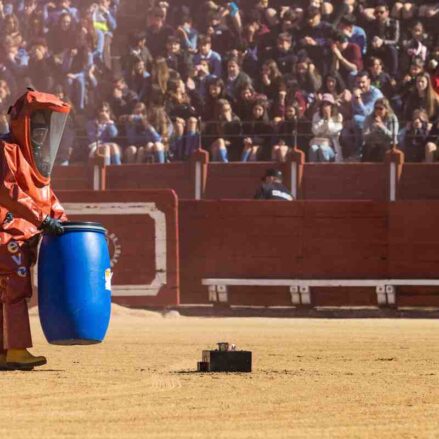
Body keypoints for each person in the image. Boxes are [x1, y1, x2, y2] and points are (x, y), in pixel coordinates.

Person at [0, 89, 70, 370]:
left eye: (44, 130)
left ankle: (5, 352)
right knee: (15, 289)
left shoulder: (33, 158)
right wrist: (43, 221)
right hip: (7, 235)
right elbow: (7, 193)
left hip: (15, 235)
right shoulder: (7, 149)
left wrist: (62, 221)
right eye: (37, 129)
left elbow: (44, 196)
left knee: (5, 293)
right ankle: (16, 350)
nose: (41, 136)